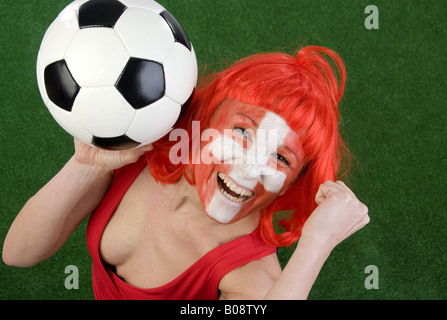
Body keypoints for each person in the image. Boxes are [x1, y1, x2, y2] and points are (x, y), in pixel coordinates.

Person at [3, 46, 369, 300]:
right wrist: (84, 165)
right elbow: (18, 253)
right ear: (207, 119)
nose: (249, 166)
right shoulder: (142, 150)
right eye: (241, 132)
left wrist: (316, 243)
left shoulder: (250, 272)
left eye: (281, 158)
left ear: (295, 180)